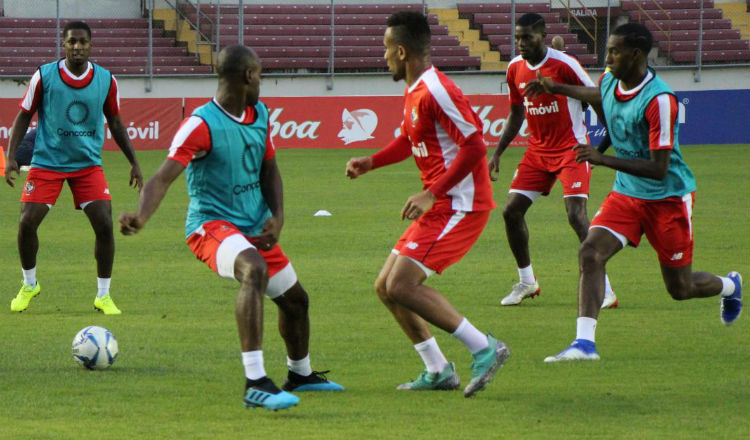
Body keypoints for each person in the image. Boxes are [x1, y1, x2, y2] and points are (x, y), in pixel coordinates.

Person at [119, 45, 343, 410]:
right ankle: (255, 382)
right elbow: (162, 177)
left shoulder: (259, 114)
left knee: (296, 301)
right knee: (253, 269)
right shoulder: (201, 124)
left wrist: (279, 216)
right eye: (260, 73)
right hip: (211, 227)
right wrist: (141, 216)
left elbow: (269, 168)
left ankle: (299, 374)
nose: (262, 81)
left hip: (253, 226)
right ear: (248, 76)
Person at [527, 22, 743, 361]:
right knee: (590, 253)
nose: (607, 57)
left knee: (680, 288)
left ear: (636, 55)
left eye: (614, 51)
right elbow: (600, 97)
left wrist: (602, 158)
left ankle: (731, 286)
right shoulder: (611, 80)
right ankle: (584, 344)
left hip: (667, 198)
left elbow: (659, 169)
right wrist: (556, 88)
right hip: (627, 194)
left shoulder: (660, 101)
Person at [345, 11, 509, 398]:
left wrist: (432, 192)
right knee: (386, 287)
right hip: (442, 203)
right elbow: (408, 139)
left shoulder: (437, 89)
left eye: (386, 48)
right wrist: (371, 162)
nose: (383, 55)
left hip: (460, 204)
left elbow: (474, 145)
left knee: (402, 284)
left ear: (401, 51)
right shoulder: (416, 88)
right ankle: (438, 369)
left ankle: (485, 347)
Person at [4, 21, 143, 315]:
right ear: (63, 45)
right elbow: (23, 115)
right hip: (47, 162)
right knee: (27, 222)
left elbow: (116, 122)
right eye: (71, 42)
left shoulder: (106, 80)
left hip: (87, 165)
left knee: (104, 223)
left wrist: (134, 162)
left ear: (90, 46)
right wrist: (11, 157)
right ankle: (30, 284)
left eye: (82, 42)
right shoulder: (44, 76)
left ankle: (103, 295)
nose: (77, 47)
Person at [489, 13, 617, 308]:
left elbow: (596, 96)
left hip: (571, 149)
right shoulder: (514, 69)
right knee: (511, 212)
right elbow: (516, 112)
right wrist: (498, 153)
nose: (521, 43)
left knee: (575, 215)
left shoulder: (565, 64)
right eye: (517, 37)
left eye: (527, 38)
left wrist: (605, 142)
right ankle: (527, 282)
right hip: (537, 152)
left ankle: (605, 288)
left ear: (542, 36)